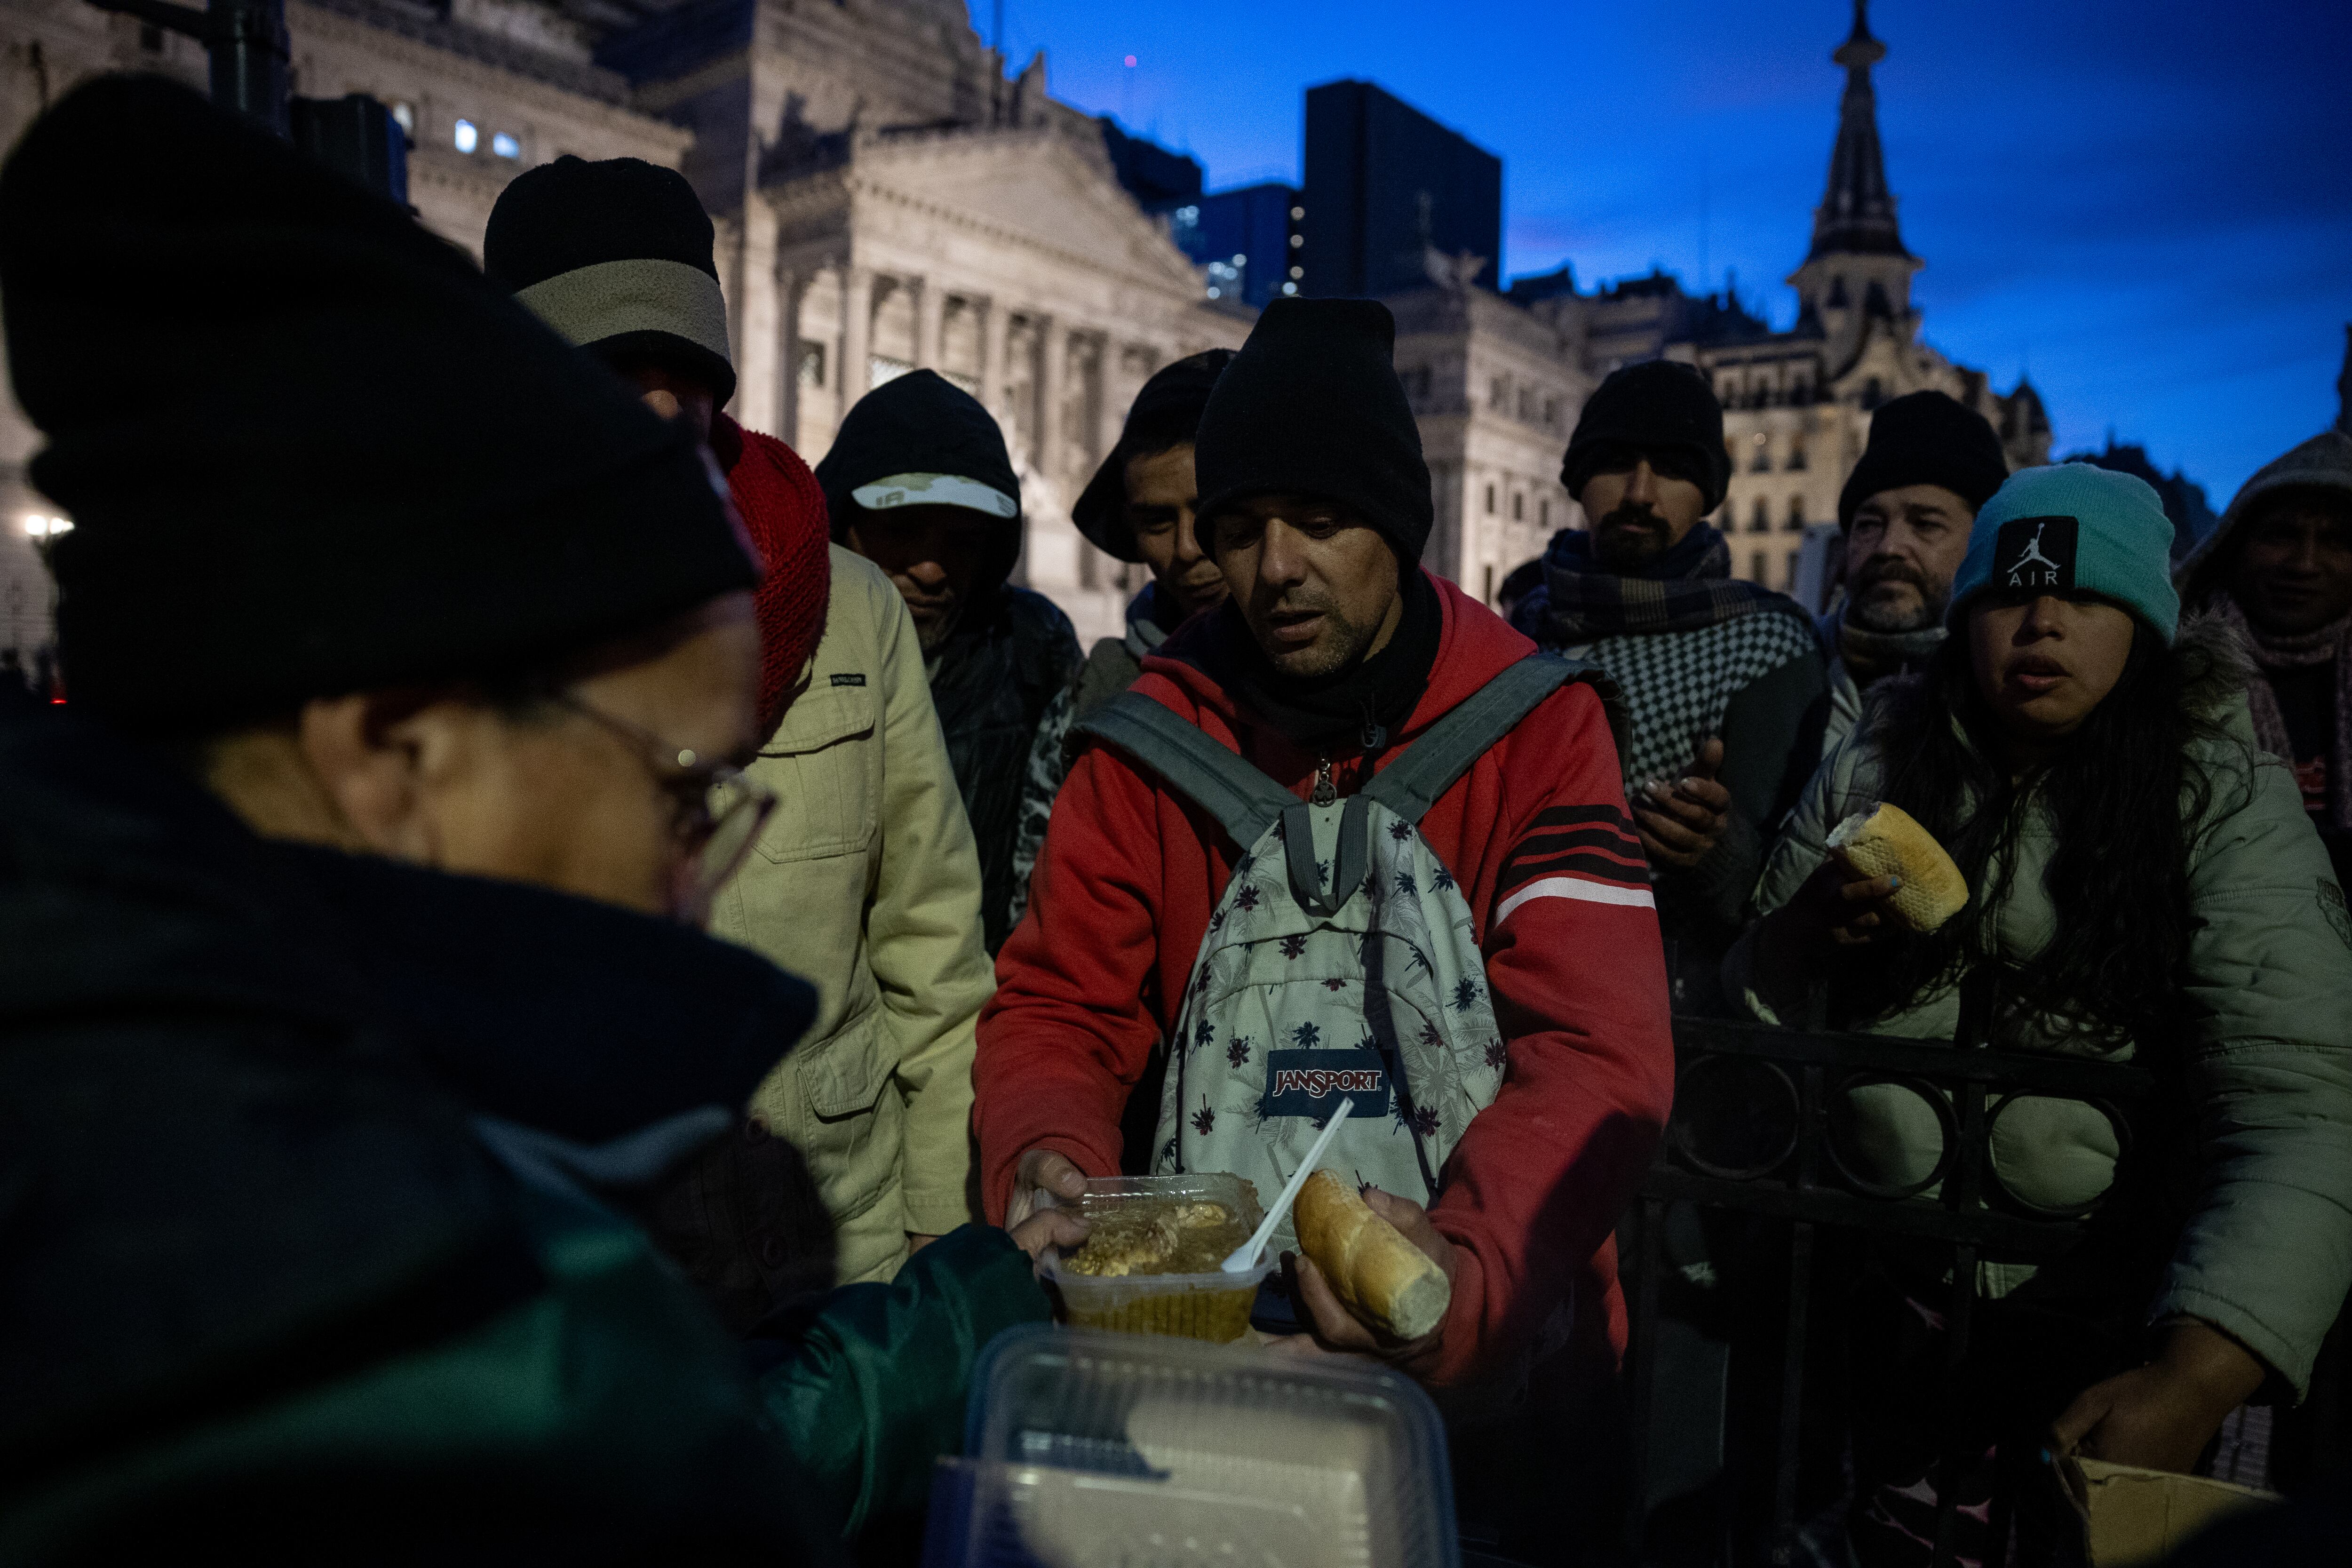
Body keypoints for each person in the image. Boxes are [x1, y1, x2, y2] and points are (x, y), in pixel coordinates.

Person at [0, 77, 1076, 1560]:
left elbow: (931, 964)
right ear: (396, 751)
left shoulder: (177, 1028)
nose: (705, 891)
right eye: (677, 791)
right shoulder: (353, 1284)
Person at [976, 297, 1675, 1400]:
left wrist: (1471, 1271)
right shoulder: (1148, 736)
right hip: (1198, 1349)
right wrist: (1049, 1154)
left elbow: (1596, 1050)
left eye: (1318, 518)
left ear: (1397, 526)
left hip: (1498, 1358)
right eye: (1241, 525)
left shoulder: (1541, 728)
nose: (1276, 566)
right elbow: (1061, 1007)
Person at [1725, 464, 2352, 1563]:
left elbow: (2304, 1103)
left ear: (2146, 622)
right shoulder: (1872, 761)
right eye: (2010, 594)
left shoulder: (2217, 795)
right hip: (1864, 1320)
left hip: (2107, 1320)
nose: (2042, 623)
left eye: (2085, 598)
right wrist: (1800, 936)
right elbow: (1743, 1021)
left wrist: (2199, 1368)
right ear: (1968, 614)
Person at [485, 157, 992, 1309]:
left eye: (685, 371)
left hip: (844, 1264)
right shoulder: (445, 633)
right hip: (596, 1295)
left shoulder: (850, 605)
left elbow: (935, 965)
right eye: (615, 371)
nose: (662, 406)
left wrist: (940, 1265)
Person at [1510, 360, 1827, 1010]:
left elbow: (1790, 890)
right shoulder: (1526, 630)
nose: (1640, 493)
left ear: (1707, 489)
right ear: (1577, 477)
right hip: (1514, 989)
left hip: (1679, 1017)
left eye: (1673, 470)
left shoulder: (1765, 644)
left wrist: (1716, 847)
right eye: (1617, 461)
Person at [818, 371, 1080, 954]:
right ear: (842, 523)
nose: (932, 569)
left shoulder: (1033, 643)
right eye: (902, 531)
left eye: (961, 540)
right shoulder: (779, 641)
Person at [1009, 348, 1232, 934]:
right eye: (1157, 522)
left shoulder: (1358, 685)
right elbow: (1043, 930)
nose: (1187, 549)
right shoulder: (1095, 699)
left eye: (1210, 511)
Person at [2176, 429, 2352, 832]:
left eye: (2336, 541)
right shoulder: (2173, 678)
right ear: (2234, 545)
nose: (2304, 564)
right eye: (2280, 535)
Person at [1820, 390, 2013, 748]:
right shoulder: (1787, 671)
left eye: (1925, 524)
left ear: (1983, 545)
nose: (1889, 547)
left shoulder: (2019, 697)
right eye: (1869, 524)